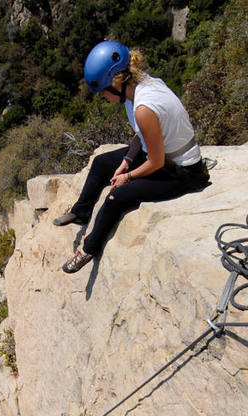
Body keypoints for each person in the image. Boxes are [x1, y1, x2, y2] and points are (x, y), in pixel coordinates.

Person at [53, 40, 209, 273]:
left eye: (104, 92)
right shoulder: (138, 88)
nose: (103, 97)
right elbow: (141, 136)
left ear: (116, 82)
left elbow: (156, 162)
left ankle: (88, 250)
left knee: (116, 197)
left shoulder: (144, 107)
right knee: (102, 163)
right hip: (162, 156)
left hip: (182, 170)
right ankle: (82, 210)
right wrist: (126, 161)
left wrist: (128, 177)